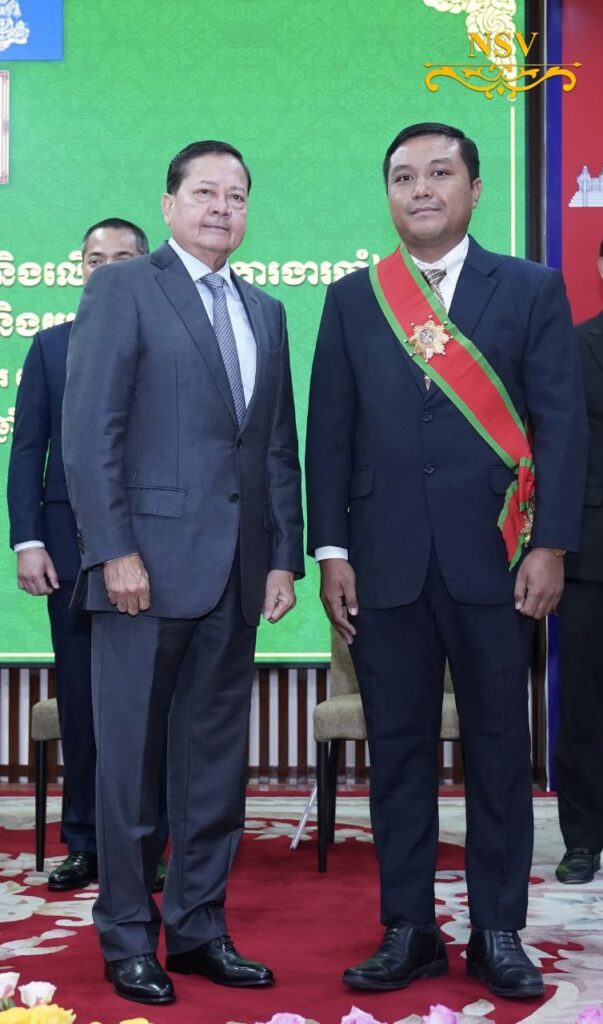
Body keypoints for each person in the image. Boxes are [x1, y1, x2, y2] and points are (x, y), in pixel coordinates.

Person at [305, 123, 587, 1000]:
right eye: (402, 177)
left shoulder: (530, 289)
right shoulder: (353, 299)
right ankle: (409, 929)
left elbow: (561, 426)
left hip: (497, 561)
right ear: (387, 193)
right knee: (396, 755)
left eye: (438, 173)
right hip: (381, 565)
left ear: (474, 188)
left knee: (499, 751)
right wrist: (331, 549)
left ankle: (497, 930)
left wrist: (550, 544)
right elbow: (328, 434)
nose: (419, 189)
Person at [62, 140, 304, 1006]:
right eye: (205, 192)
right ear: (169, 205)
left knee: (212, 771)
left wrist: (282, 556)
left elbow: (274, 447)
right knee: (130, 769)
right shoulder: (125, 288)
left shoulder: (265, 309)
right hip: (144, 573)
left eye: (236, 195)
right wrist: (112, 550)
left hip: (236, 575)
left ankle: (199, 930)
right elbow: (90, 432)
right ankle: (128, 936)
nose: (221, 208)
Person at [6, 218, 170, 893]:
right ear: (80, 269)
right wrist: (28, 540)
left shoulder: (167, 342)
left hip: (153, 550)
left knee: (149, 707)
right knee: (80, 703)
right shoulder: (51, 346)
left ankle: (148, 845)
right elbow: (28, 450)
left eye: (122, 258)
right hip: (69, 552)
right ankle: (84, 843)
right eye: (94, 259)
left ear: (146, 266)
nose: (106, 269)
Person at [555, 241, 603, 885]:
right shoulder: (574, 345)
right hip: (593, 553)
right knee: (587, 704)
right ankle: (584, 840)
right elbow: (559, 448)